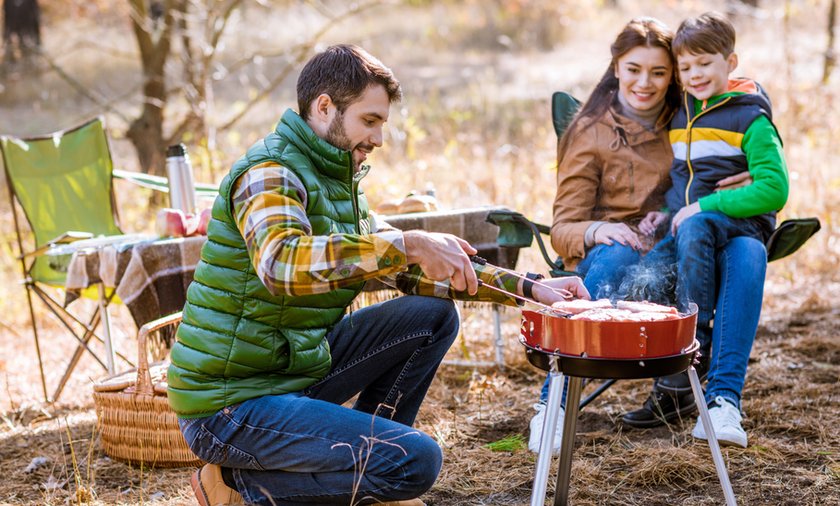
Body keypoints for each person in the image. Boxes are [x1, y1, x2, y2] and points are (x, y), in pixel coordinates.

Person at [166, 44, 590, 506]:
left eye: (382, 123)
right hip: (230, 406)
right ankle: (234, 485)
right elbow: (282, 264)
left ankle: (373, 469)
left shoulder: (339, 178)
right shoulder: (270, 171)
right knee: (417, 462)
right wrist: (410, 242)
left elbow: (411, 269)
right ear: (324, 106)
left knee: (432, 315)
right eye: (370, 121)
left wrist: (532, 289)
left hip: (293, 371)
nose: (379, 139)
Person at [529, 16, 758, 455]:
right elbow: (562, 229)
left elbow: (742, 101)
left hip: (690, 244)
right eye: (634, 69)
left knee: (748, 248)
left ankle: (724, 401)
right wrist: (601, 228)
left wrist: (745, 176)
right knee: (615, 254)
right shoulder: (590, 130)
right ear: (616, 67)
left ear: (673, 74)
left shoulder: (693, 115)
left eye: (659, 72)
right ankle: (551, 406)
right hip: (619, 259)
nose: (645, 83)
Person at [624, 11, 788, 448]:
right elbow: (685, 179)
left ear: (730, 63)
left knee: (696, 228)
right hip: (695, 225)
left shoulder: (749, 117)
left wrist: (703, 205)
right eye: (686, 67)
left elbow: (774, 188)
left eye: (706, 64)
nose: (695, 75)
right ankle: (677, 376)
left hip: (740, 223)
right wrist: (666, 211)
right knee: (651, 267)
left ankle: (699, 341)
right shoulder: (682, 115)